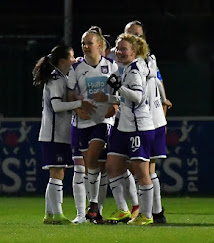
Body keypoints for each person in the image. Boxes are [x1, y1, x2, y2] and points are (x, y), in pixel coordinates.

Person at [93, 33, 155, 225]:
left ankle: (146, 215)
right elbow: (127, 100)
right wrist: (109, 98)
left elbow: (137, 97)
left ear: (134, 51)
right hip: (125, 125)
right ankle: (123, 210)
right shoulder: (127, 68)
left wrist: (118, 87)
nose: (119, 52)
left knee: (141, 170)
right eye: (118, 49)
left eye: (123, 49)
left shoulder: (136, 70)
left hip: (138, 127)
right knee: (112, 166)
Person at [33, 45, 95, 225]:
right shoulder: (55, 79)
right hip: (53, 135)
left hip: (58, 134)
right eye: (72, 56)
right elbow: (57, 106)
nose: (75, 59)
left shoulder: (62, 78)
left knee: (55, 173)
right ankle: (57, 214)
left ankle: (49, 214)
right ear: (63, 60)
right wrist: (78, 105)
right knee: (57, 173)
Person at [68, 26, 119, 223]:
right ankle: (92, 210)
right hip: (82, 122)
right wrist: (75, 107)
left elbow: (119, 92)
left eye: (89, 43)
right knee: (89, 165)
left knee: (93, 156)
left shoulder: (111, 66)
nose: (85, 46)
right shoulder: (76, 68)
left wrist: (114, 107)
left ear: (100, 45)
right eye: (83, 43)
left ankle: (94, 205)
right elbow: (70, 93)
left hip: (103, 119)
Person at [124, 20, 172, 223]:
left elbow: (160, 87)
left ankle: (151, 213)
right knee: (139, 167)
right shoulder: (124, 59)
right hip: (132, 121)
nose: (136, 38)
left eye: (139, 35)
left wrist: (163, 114)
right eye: (131, 34)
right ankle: (151, 212)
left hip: (147, 121)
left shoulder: (148, 61)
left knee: (145, 168)